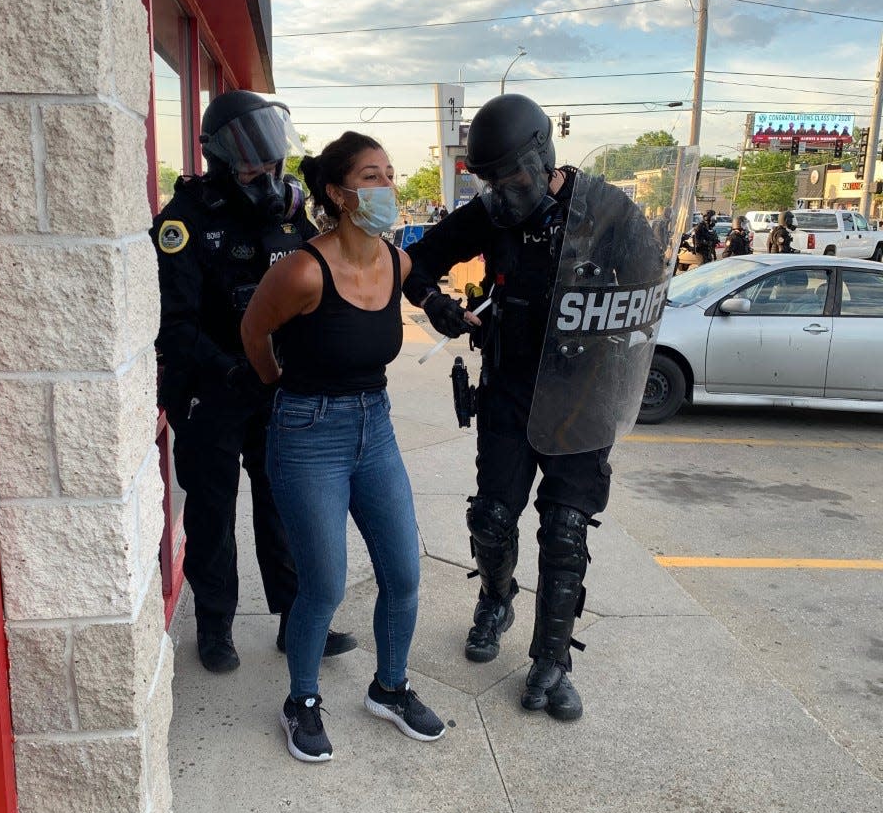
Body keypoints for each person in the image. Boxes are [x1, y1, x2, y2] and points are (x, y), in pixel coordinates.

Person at [401, 94, 658, 724]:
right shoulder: (491, 214)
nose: (503, 190)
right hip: (511, 391)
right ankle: (495, 597)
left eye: (512, 176)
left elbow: (648, 296)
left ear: (543, 156)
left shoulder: (610, 212)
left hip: (583, 398)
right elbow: (416, 262)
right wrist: (434, 303)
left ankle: (553, 660)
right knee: (492, 517)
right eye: (490, 179)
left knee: (566, 531)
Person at [240, 132, 445, 763]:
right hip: (307, 434)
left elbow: (421, 288)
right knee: (324, 583)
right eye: (371, 177)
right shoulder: (303, 268)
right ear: (338, 192)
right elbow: (253, 329)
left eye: (390, 175)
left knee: (404, 573)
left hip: (374, 428)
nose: (387, 188)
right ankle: (301, 700)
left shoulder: (394, 259)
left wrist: (450, 310)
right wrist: (280, 387)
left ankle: (390, 687)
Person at [151, 90, 356, 673]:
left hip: (275, 392)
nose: (265, 174)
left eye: (271, 161)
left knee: (285, 506)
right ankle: (215, 626)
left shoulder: (290, 214)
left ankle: (297, 622)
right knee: (213, 513)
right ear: (220, 162)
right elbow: (172, 324)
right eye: (250, 164)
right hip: (211, 393)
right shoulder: (184, 222)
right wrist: (234, 365)